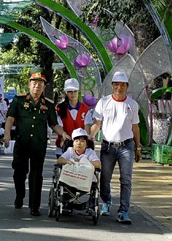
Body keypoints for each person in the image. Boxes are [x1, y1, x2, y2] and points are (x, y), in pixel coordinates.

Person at [3, 67, 68, 217]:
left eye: (40, 84)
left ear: (44, 87)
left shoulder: (49, 104)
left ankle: (34, 206)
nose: (37, 86)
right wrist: (7, 134)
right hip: (22, 143)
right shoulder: (19, 101)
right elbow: (10, 118)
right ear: (29, 84)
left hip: (39, 145)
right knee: (19, 173)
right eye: (34, 83)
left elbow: (54, 124)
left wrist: (63, 133)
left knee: (36, 175)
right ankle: (20, 196)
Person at [89, 71, 141, 225]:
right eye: (116, 84)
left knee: (126, 179)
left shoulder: (132, 104)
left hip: (126, 146)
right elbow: (97, 124)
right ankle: (106, 202)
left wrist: (137, 148)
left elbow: (135, 127)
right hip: (108, 146)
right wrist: (90, 136)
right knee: (105, 178)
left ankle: (123, 210)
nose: (119, 87)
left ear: (127, 87)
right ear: (112, 86)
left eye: (123, 85)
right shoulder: (104, 102)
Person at [54, 78, 90, 158]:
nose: (72, 94)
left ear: (78, 92)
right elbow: (59, 127)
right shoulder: (60, 109)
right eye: (70, 91)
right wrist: (64, 138)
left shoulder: (85, 109)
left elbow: (86, 128)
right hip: (63, 147)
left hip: (80, 150)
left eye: (75, 91)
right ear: (66, 92)